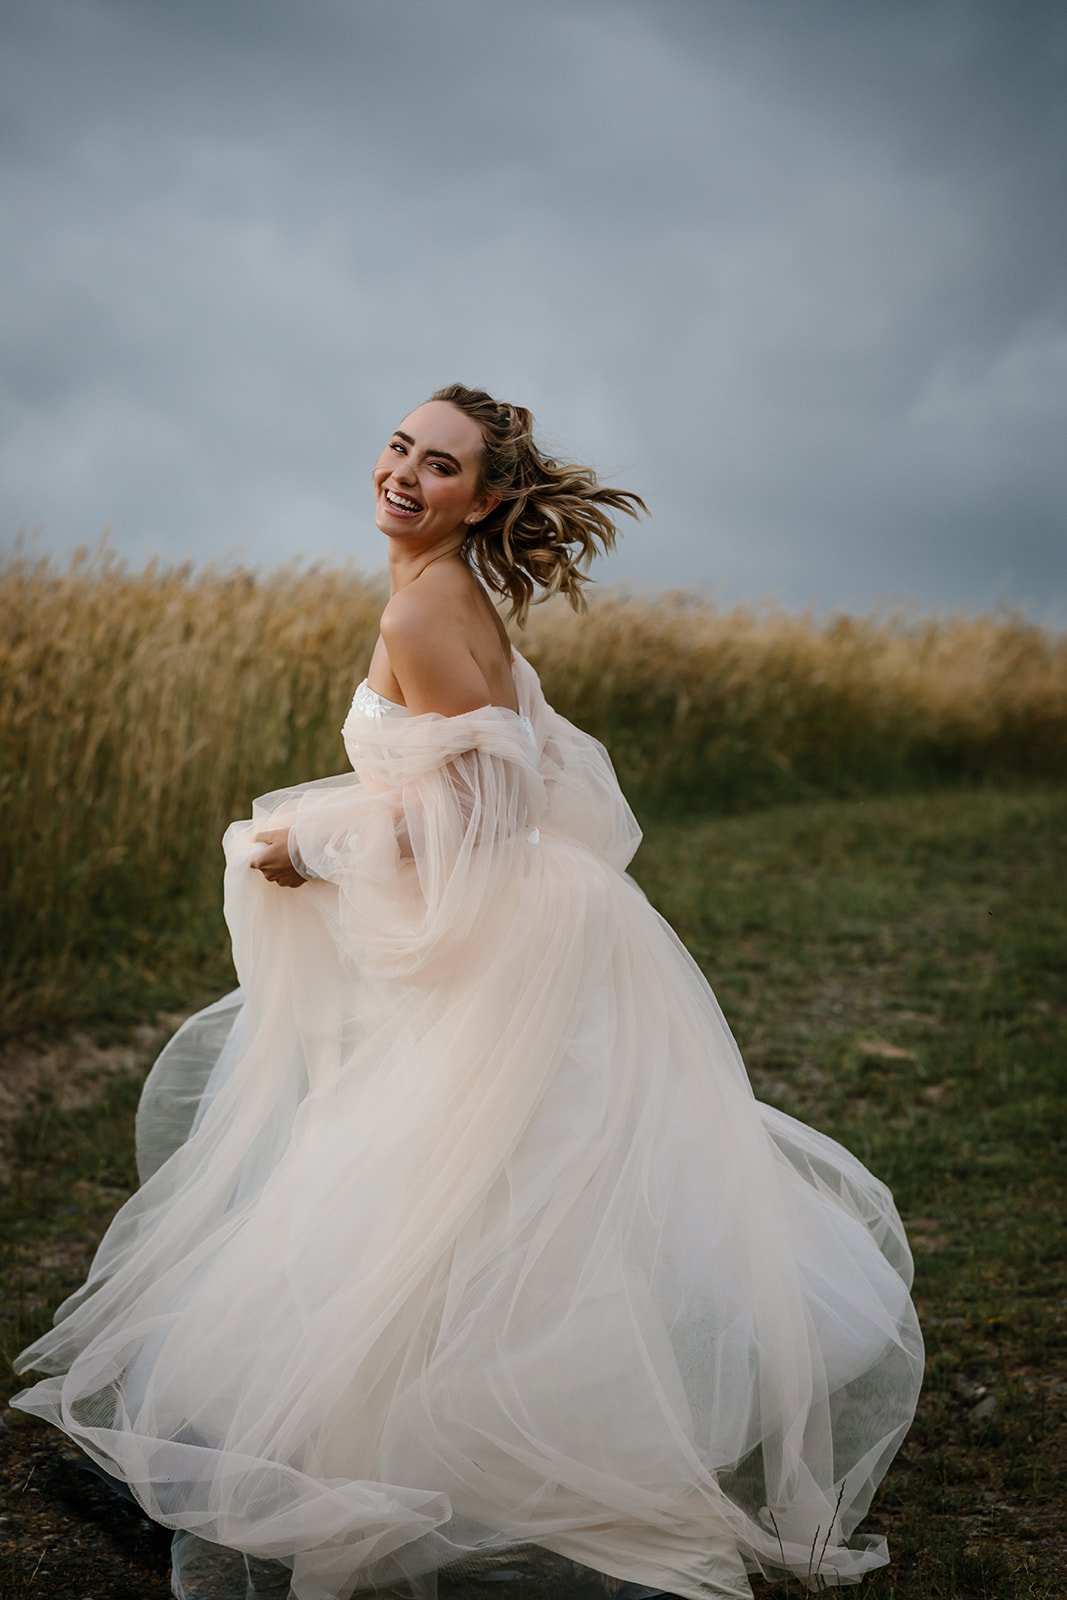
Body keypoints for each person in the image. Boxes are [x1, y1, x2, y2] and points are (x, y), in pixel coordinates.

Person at [11, 385, 923, 1600]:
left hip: (507, 936)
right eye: (399, 446)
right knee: (472, 1190)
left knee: (418, 1189)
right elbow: (506, 772)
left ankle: (365, 1470)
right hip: (534, 923)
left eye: (438, 464)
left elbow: (488, 807)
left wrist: (313, 845)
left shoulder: (423, 607)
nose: (403, 472)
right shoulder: (454, 595)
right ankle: (386, 1447)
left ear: (483, 499)